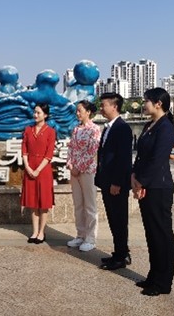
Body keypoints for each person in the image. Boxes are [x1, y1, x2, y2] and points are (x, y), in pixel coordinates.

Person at [132, 87, 174, 296]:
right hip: (146, 185)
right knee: (151, 233)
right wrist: (134, 176)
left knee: (161, 234)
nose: (144, 104)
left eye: (146, 101)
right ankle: (153, 275)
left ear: (158, 103)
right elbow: (141, 156)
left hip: (159, 187)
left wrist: (141, 182)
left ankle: (163, 282)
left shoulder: (166, 127)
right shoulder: (149, 125)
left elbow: (157, 160)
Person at [96, 93, 133, 270]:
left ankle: (121, 256)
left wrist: (117, 182)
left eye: (103, 105)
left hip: (116, 184)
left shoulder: (122, 128)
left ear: (114, 107)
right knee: (113, 218)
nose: (101, 108)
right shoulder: (108, 127)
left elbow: (123, 159)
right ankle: (119, 252)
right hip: (106, 181)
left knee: (119, 219)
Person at [66, 100, 101, 252]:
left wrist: (78, 167)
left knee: (90, 205)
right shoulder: (76, 129)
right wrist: (70, 164)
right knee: (78, 204)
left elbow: (92, 152)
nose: (77, 113)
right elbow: (71, 149)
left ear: (88, 112)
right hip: (74, 171)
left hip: (88, 171)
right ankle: (80, 235)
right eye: (77, 110)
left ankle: (90, 238)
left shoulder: (95, 129)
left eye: (80, 110)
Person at [21, 103, 56, 244]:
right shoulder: (28, 130)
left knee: (43, 202)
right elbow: (24, 150)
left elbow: (49, 154)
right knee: (32, 202)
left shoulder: (50, 132)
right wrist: (28, 167)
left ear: (45, 115)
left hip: (43, 169)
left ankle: (42, 232)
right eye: (34, 112)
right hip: (30, 167)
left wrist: (37, 170)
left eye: (38, 113)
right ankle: (34, 231)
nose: (35, 115)